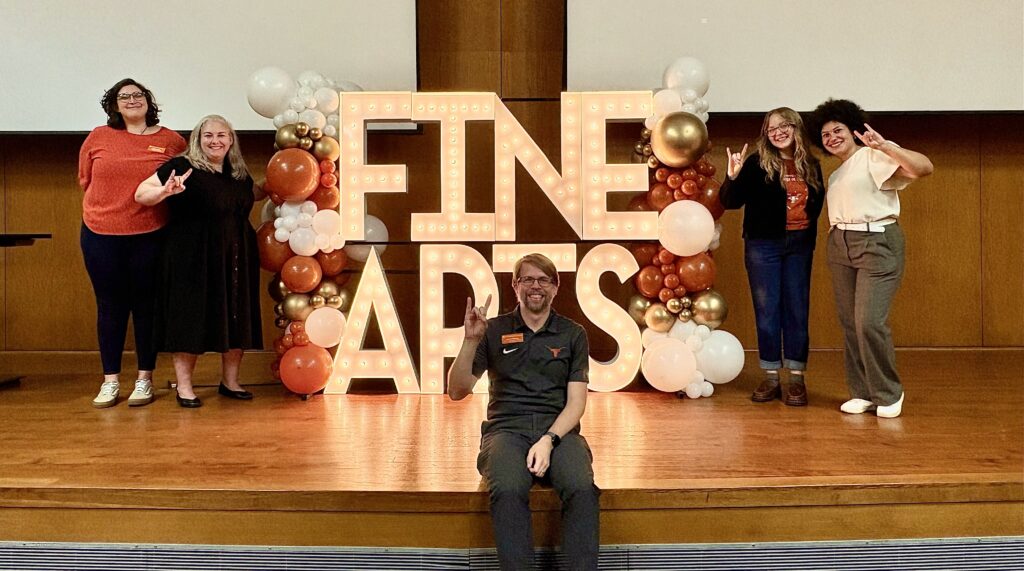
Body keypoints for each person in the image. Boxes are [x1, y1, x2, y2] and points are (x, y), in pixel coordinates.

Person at [448, 253, 599, 570]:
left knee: (582, 489)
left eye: (544, 279)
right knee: (507, 489)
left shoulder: (573, 334)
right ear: (515, 285)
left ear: (555, 287)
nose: (536, 286)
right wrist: (469, 341)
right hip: (506, 430)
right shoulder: (492, 330)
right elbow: (457, 390)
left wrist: (548, 440)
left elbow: (576, 403)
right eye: (528, 279)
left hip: (558, 430)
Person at [808, 99, 933, 418]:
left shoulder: (872, 157)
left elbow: (923, 168)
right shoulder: (836, 175)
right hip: (840, 243)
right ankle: (862, 391)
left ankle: (888, 392)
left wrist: (888, 146)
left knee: (868, 321)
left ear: (853, 130)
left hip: (876, 241)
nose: (832, 137)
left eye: (838, 130)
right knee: (850, 323)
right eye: (825, 135)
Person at [135, 115, 264, 408]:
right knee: (189, 319)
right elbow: (141, 194)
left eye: (222, 135)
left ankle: (230, 382)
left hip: (235, 257)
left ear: (231, 140)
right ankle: (184, 388)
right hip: (190, 256)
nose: (215, 141)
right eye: (208, 136)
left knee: (235, 316)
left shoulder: (238, 173)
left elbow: (254, 194)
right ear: (197, 139)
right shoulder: (182, 167)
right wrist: (165, 191)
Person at [78, 78, 186, 408]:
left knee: (147, 308)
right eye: (123, 97)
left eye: (137, 95)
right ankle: (110, 381)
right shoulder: (98, 137)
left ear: (148, 102)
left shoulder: (171, 140)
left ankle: (144, 379)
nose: (131, 100)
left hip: (151, 235)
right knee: (110, 307)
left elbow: (182, 181)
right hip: (100, 234)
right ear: (114, 105)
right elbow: (85, 179)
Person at [719, 107, 824, 407]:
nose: (777, 132)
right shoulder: (757, 163)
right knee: (767, 311)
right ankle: (770, 376)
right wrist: (732, 176)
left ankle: (796, 379)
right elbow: (730, 202)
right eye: (771, 128)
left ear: (796, 128)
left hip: (800, 245)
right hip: (763, 246)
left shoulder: (811, 164)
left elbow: (816, 206)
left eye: (784, 126)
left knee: (797, 310)